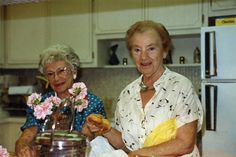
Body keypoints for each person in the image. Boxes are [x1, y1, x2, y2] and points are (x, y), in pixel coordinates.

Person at [86, 20, 203, 157]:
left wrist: (139, 154)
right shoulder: (127, 94)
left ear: (165, 52)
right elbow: (127, 145)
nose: (143, 57)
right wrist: (105, 130)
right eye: (137, 50)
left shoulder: (181, 87)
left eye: (151, 48)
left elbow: (185, 144)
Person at [15, 44, 106, 157]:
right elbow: (27, 134)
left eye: (61, 71)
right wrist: (23, 146)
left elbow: (92, 138)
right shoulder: (40, 102)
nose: (56, 78)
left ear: (74, 71)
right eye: (50, 74)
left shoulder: (92, 102)